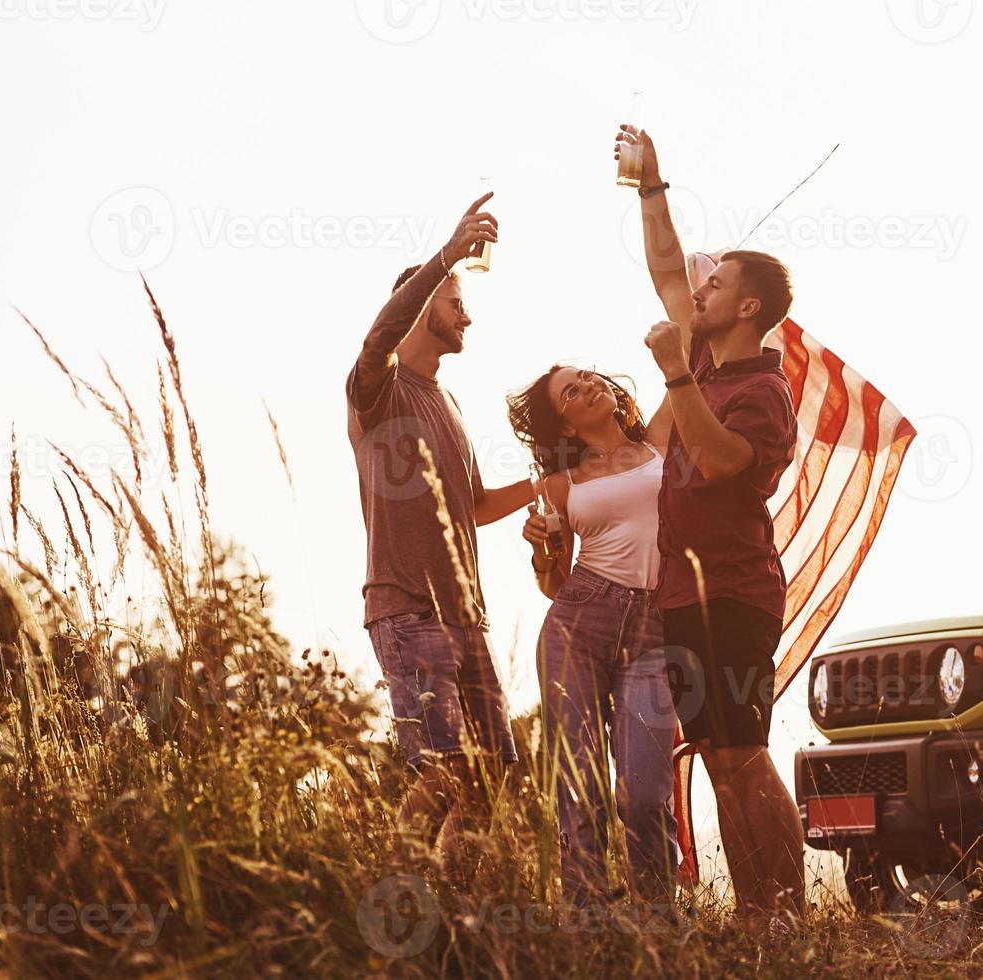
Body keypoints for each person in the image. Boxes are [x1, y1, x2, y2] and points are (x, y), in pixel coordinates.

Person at [615, 126, 806, 915]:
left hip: (734, 593)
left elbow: (723, 461)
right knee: (720, 761)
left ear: (747, 306)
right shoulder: (703, 355)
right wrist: (651, 187)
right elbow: (667, 262)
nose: (700, 291)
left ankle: (789, 915)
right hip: (683, 597)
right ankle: (757, 913)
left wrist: (670, 375)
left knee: (746, 754)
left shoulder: (764, 388)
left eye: (716, 284)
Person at [346, 191, 532, 862]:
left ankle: (457, 915)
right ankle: (384, 885)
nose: (469, 317)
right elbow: (377, 338)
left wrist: (550, 480)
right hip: (408, 611)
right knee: (444, 767)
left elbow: (477, 506)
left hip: (467, 618)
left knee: (489, 779)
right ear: (424, 305)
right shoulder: (377, 386)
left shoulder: (450, 402)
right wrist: (447, 254)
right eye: (457, 303)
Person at [509, 363, 679, 903]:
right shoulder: (561, 484)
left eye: (588, 376)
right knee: (580, 792)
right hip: (578, 625)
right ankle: (588, 933)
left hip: (655, 629)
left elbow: (688, 363)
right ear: (564, 426)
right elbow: (555, 584)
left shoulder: (657, 442)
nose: (589, 385)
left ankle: (657, 928)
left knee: (646, 793)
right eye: (572, 391)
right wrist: (540, 547)